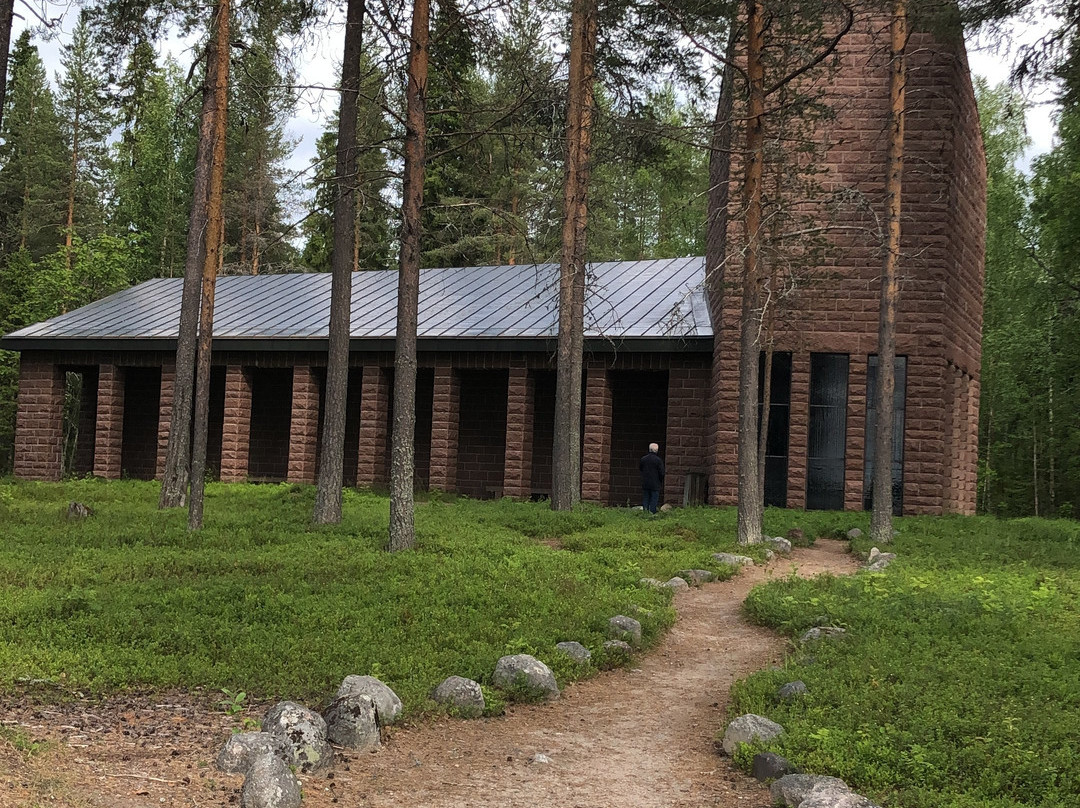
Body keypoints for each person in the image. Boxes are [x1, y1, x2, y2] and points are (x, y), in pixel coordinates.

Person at [639, 442, 665, 514]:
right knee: (654, 498)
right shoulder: (658, 460)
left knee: (646, 498)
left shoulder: (643, 459)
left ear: (649, 449)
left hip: (645, 482)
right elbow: (661, 472)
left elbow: (640, 468)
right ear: (656, 450)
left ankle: (645, 512)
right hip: (655, 483)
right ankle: (652, 512)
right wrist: (660, 480)